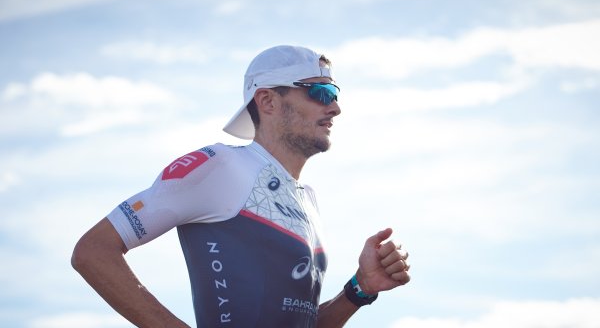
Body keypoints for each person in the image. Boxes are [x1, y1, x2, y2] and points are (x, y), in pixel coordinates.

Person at [72, 44, 411, 327]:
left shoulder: (308, 199)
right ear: (268, 101)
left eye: (334, 93)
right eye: (320, 92)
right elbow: (93, 251)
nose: (335, 107)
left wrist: (358, 290)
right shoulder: (219, 165)